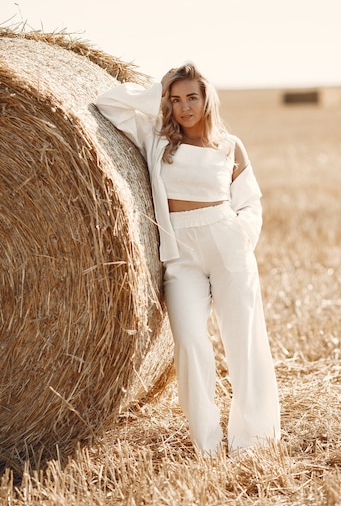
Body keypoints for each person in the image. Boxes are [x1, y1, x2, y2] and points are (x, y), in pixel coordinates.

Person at [96, 63, 280, 456]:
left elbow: (251, 203)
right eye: (176, 99)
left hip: (227, 244)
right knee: (192, 345)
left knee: (244, 344)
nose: (184, 106)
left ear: (206, 98)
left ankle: (253, 442)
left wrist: (241, 238)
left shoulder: (231, 145)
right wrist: (158, 88)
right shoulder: (157, 138)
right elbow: (108, 103)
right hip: (181, 256)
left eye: (191, 97)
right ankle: (209, 446)